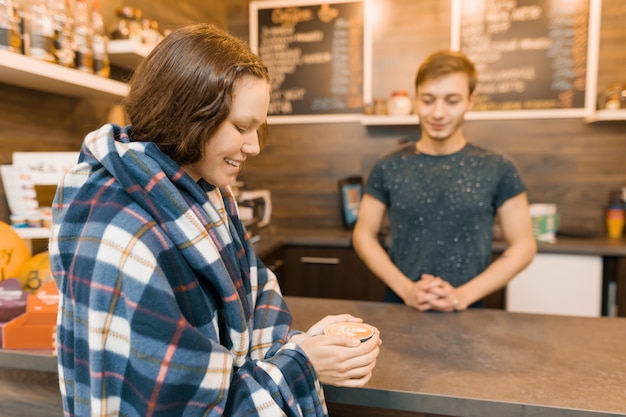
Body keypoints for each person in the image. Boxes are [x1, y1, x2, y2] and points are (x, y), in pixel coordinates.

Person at [49, 24, 380, 417]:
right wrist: (301, 365)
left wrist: (302, 348)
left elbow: (254, 290)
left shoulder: (205, 192)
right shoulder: (121, 234)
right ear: (186, 116)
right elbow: (171, 402)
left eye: (259, 128)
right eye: (241, 128)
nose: (254, 146)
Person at [353, 50, 537, 312]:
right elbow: (363, 235)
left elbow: (524, 246)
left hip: (470, 313)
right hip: (401, 308)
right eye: (428, 100)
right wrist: (407, 289)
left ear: (470, 101)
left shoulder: (499, 168)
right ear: (416, 99)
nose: (438, 113)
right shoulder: (388, 166)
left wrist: (462, 295)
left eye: (452, 100)